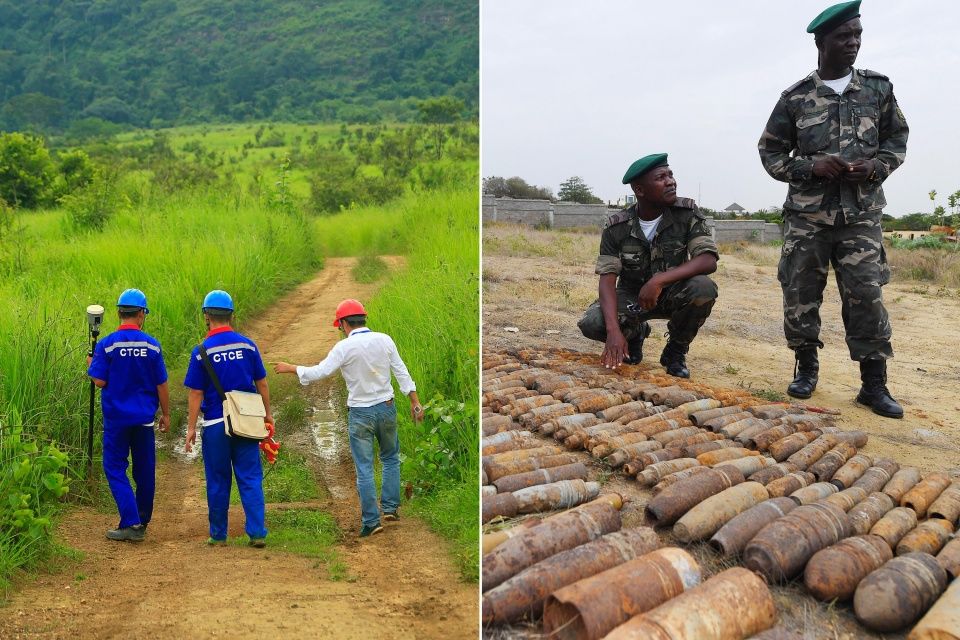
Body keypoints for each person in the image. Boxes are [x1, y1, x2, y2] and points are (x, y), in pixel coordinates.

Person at [758, 0, 908, 418]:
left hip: (861, 215)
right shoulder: (796, 98)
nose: (853, 43)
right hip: (809, 218)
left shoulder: (878, 89)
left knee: (866, 295)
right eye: (844, 36)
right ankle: (806, 369)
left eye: (858, 35)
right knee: (801, 294)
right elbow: (770, 152)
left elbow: (898, 141)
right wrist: (810, 166)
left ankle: (873, 385)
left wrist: (876, 167)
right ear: (821, 42)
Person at [273, 299, 423, 538]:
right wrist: (415, 401)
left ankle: (372, 522)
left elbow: (320, 371)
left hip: (360, 413)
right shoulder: (385, 340)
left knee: (364, 468)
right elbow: (401, 372)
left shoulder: (343, 348)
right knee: (390, 458)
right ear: (363, 319)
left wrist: (292, 368)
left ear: (343, 324)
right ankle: (391, 508)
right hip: (386, 407)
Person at [577, 153, 719, 378]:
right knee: (592, 323)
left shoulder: (687, 213)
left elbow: (707, 259)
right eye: (661, 177)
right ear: (640, 191)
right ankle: (635, 334)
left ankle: (675, 352)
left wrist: (659, 280)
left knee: (703, 288)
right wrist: (614, 331)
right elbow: (607, 280)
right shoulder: (617, 227)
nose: (671, 181)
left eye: (671, 175)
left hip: (673, 292)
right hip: (632, 297)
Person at [183, 290, 273, 546]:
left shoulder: (200, 352)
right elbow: (262, 383)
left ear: (206, 316)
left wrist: (191, 428)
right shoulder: (247, 345)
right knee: (250, 477)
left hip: (214, 424)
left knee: (217, 479)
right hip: (246, 421)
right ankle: (256, 533)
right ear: (232, 315)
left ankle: (218, 535)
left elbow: (196, 393)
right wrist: (267, 415)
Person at [87, 288, 170, 542]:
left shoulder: (107, 345)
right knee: (145, 470)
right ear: (142, 314)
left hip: (116, 420)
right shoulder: (152, 346)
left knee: (114, 466)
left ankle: (131, 521)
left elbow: (99, 381)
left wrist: (91, 365)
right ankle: (141, 519)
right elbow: (161, 384)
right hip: (144, 420)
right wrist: (166, 414)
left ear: (118, 313)